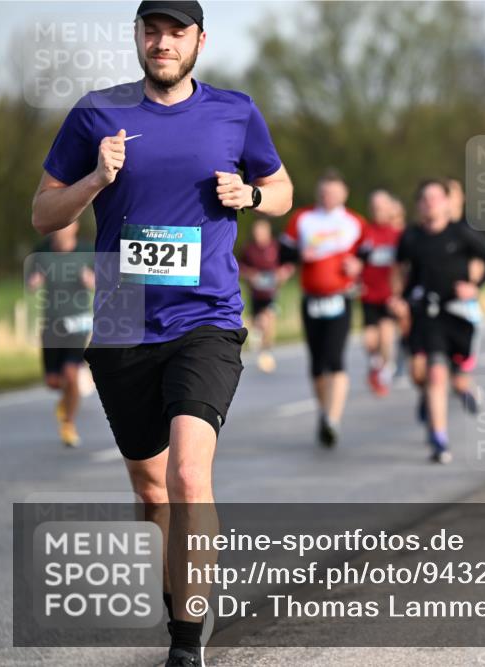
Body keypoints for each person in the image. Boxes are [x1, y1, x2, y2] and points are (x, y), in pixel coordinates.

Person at [31, 3, 293, 665]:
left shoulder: (235, 112)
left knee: (186, 473)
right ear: (138, 38)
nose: (163, 42)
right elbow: (42, 212)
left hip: (206, 318)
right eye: (153, 30)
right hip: (122, 318)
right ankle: (182, 582)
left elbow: (282, 185)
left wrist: (253, 198)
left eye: (177, 32)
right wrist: (95, 177)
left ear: (199, 40)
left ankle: (185, 639)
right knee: (151, 491)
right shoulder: (96, 114)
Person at [391, 179, 485, 463]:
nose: (430, 203)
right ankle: (439, 439)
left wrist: (476, 286)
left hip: (457, 314)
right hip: (424, 313)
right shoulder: (410, 237)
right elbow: (400, 271)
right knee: (426, 373)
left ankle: (463, 391)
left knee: (456, 378)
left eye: (436, 198)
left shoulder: (462, 234)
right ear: (418, 205)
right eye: (425, 198)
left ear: (447, 202)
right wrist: (398, 298)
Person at [280, 169, 364, 447]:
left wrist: (358, 266)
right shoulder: (303, 219)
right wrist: (298, 255)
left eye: (333, 191)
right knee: (317, 363)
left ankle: (333, 419)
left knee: (335, 358)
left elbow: (372, 257)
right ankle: (324, 410)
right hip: (311, 299)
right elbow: (283, 251)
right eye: (324, 191)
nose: (328, 196)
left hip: (340, 297)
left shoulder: (355, 223)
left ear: (344, 193)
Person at [26, 221, 95, 447]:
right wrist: (34, 282)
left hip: (78, 323)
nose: (61, 229)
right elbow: (29, 282)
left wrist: (90, 280)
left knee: (71, 373)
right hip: (52, 324)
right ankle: (66, 399)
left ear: (75, 227)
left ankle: (68, 422)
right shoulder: (41, 250)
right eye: (57, 225)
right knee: (54, 382)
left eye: (67, 225)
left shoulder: (86, 252)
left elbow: (103, 281)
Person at [358, 189, 402, 396]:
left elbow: (404, 266)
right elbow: (356, 259)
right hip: (368, 294)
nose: (378, 211)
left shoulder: (398, 235)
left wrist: (400, 292)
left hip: (389, 295)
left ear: (390, 209)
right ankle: (377, 364)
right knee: (369, 341)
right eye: (374, 208)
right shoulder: (365, 232)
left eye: (382, 207)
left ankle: (386, 369)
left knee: (385, 338)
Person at [239, 217, 291, 373]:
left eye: (262, 231)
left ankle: (266, 351)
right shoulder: (249, 249)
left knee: (267, 319)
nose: (259, 234)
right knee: (259, 323)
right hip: (256, 293)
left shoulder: (276, 247)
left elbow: (288, 265)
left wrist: (283, 274)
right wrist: (250, 275)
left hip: (272, 293)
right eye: (256, 232)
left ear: (268, 232)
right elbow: (240, 267)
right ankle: (262, 343)